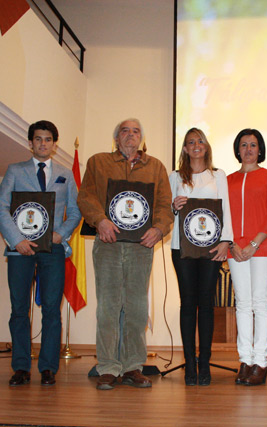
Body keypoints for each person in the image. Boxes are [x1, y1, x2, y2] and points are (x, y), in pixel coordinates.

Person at [78, 118, 173, 390]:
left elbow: (165, 206)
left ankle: (132, 366)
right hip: (108, 244)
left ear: (142, 138)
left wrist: (158, 228)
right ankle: (108, 367)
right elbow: (86, 197)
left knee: (136, 308)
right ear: (116, 138)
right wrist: (101, 220)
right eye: (125, 131)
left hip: (141, 247)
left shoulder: (155, 167)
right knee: (108, 307)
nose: (130, 135)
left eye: (136, 131)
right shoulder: (98, 162)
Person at [0, 120, 81, 387]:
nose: (43, 144)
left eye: (48, 139)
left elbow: (76, 212)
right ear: (30, 142)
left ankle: (48, 368)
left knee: (52, 309)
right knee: (19, 308)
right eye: (38, 139)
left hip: (53, 249)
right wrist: (17, 239)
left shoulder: (66, 174)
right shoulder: (14, 170)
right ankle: (20, 366)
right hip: (20, 250)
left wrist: (61, 233)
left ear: (55, 144)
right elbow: (1, 207)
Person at [170, 128, 234, 386]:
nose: (196, 146)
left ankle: (204, 364)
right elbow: (167, 210)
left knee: (206, 305)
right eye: (190, 142)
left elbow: (226, 208)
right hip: (181, 247)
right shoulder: (175, 176)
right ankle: (189, 366)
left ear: (206, 147)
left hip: (211, 248)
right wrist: (173, 206)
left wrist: (226, 242)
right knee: (187, 303)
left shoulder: (219, 175)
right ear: (185, 149)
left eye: (200, 141)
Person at [227, 129, 267, 386]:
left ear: (260, 150)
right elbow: (223, 217)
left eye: (253, 145)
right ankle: (245, 359)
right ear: (238, 149)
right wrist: (232, 245)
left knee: (260, 302)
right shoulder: (227, 180)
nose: (249, 149)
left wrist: (253, 243)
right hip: (235, 250)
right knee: (242, 304)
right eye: (244, 145)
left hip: (263, 248)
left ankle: (261, 360)